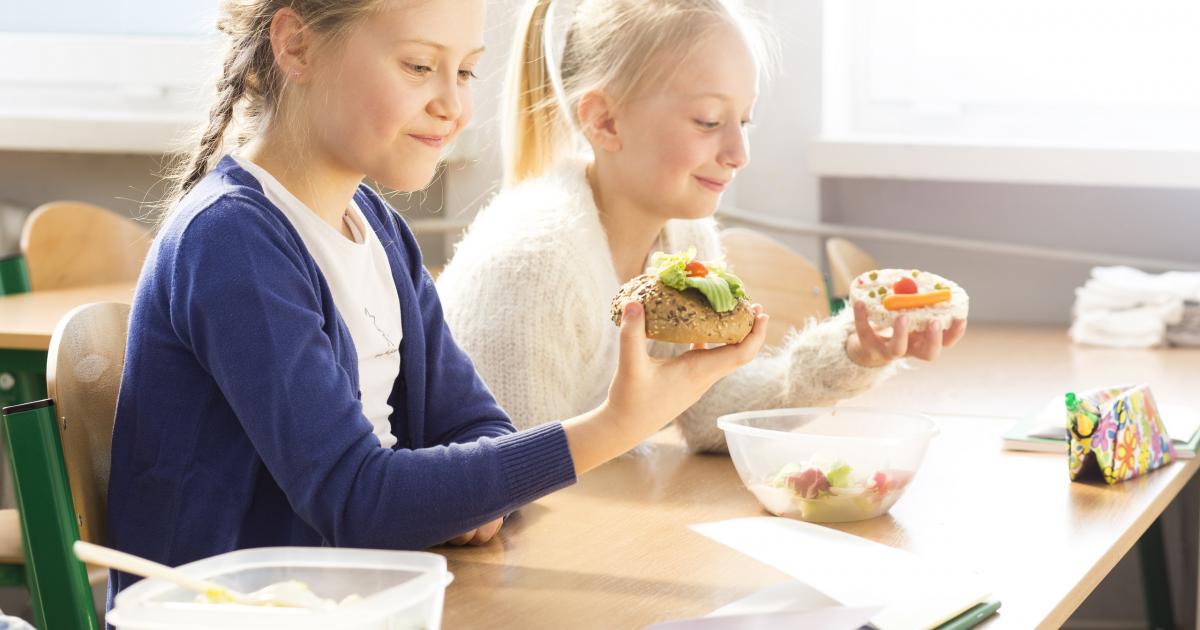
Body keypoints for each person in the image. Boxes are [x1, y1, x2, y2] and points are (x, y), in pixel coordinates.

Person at [106, 0, 767, 603]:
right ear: (297, 47)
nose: (453, 105)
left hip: (366, 601)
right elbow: (359, 499)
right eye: (420, 66)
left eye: (467, 73)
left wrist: (456, 498)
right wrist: (612, 427)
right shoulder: (233, 242)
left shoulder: (377, 229)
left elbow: (475, 426)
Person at [437, 0, 967, 452]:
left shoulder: (682, 238)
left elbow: (710, 411)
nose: (739, 153)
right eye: (709, 121)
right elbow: (510, 483)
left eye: (744, 120)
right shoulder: (534, 265)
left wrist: (855, 351)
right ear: (605, 121)